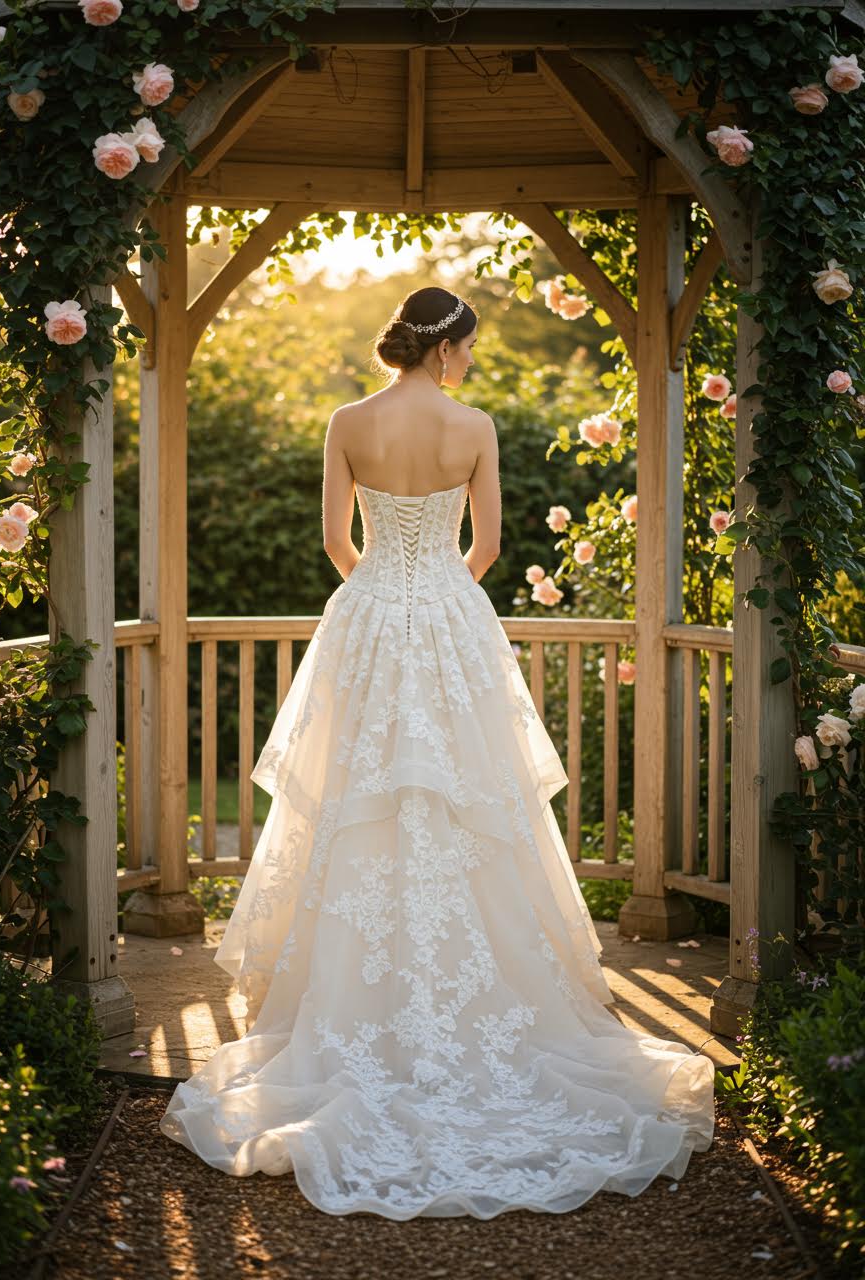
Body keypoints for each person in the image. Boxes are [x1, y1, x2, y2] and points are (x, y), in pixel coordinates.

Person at [159, 285, 715, 1219]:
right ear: (447, 344)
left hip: (366, 616)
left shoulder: (348, 418)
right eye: (469, 347)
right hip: (453, 619)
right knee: (471, 803)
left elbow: (335, 539)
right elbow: (489, 544)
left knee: (353, 800)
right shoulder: (476, 425)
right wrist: (435, 602)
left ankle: (358, 1012)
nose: (471, 361)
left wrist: (380, 596)